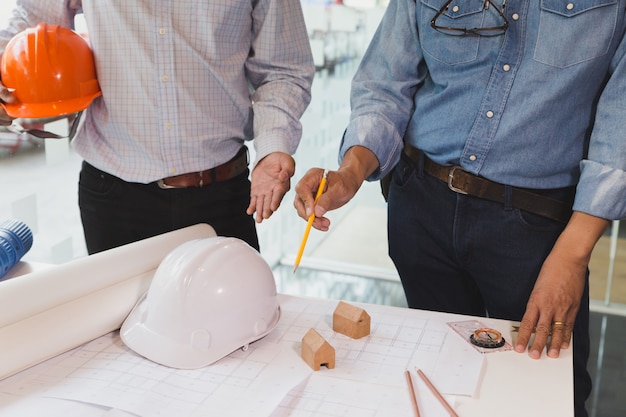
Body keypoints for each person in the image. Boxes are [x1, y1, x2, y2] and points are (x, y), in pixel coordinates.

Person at [294, 1, 626, 416]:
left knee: (546, 393)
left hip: (536, 230)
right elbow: (386, 82)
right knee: (440, 381)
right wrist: (351, 171)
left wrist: (574, 255)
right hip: (420, 204)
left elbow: (621, 127)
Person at [0, 0, 314, 254]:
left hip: (221, 193)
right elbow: (33, 21)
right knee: (117, 330)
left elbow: (284, 68)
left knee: (235, 325)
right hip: (113, 195)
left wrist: (272, 149)